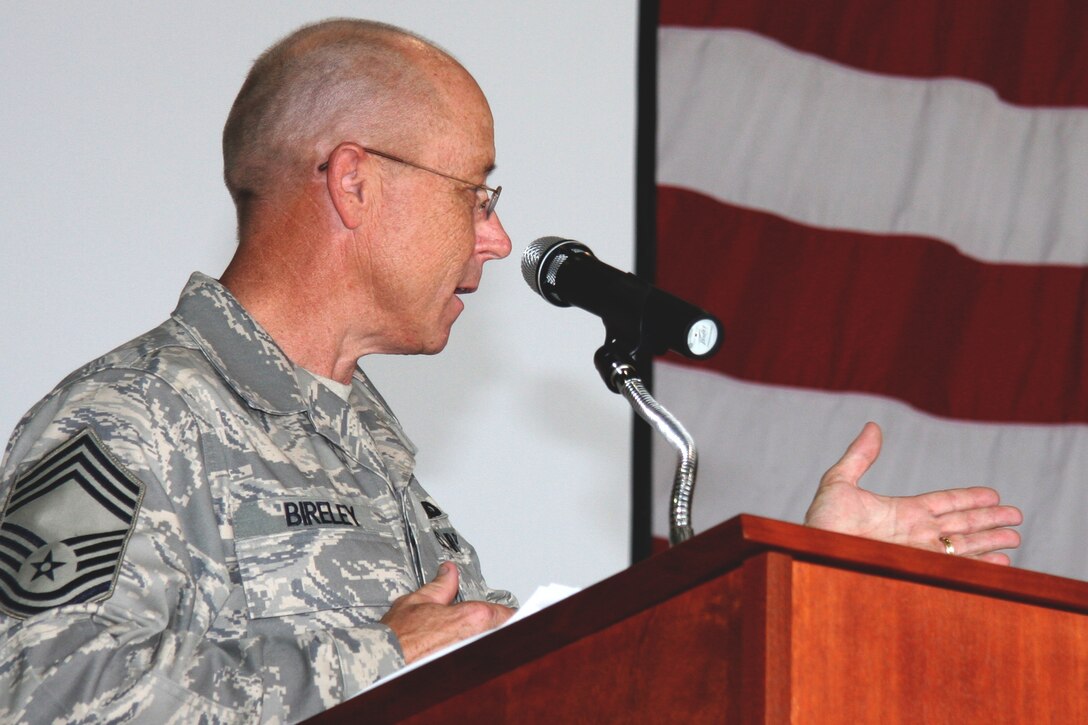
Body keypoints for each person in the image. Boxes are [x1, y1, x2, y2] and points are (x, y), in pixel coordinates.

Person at [0, 18, 1021, 723]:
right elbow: (34, 690)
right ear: (354, 183)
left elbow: (544, 687)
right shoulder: (127, 418)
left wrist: (791, 577)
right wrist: (373, 657)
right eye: (475, 194)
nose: (495, 237)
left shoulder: (368, 448)